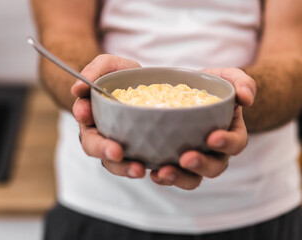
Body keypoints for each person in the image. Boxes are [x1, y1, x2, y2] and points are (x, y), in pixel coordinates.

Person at [30, 0, 302, 239]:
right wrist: (99, 99)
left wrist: (233, 101)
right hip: (100, 204)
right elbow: (62, 37)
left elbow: (291, 56)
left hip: (257, 204)